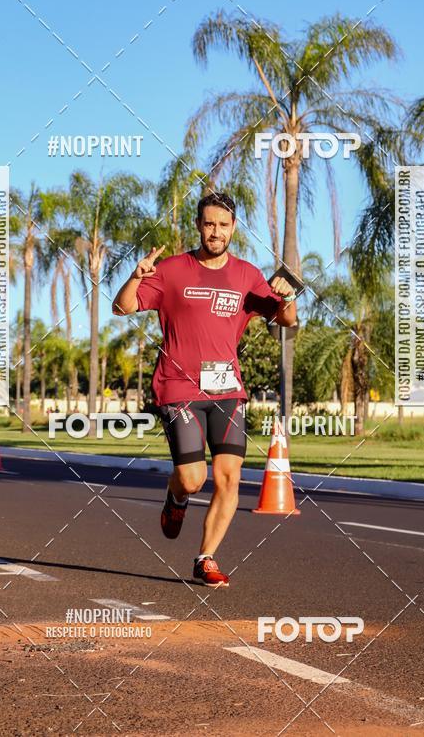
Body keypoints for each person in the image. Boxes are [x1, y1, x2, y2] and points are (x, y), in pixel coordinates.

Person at [112, 193, 297, 587]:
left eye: (223, 225)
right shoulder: (173, 269)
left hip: (228, 389)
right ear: (198, 225)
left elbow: (286, 319)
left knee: (230, 476)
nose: (216, 232)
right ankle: (177, 497)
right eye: (209, 224)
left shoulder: (247, 275)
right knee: (194, 478)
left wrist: (288, 295)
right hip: (178, 387)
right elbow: (122, 307)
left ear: (234, 229)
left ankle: (205, 557)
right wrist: (137, 275)